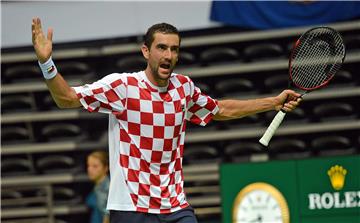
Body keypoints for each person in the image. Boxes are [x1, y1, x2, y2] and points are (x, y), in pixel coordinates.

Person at [31, 17, 301, 223]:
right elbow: (65, 98)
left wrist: (273, 102)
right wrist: (46, 63)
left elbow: (220, 109)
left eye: (174, 49)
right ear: (146, 51)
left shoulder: (183, 88)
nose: (168, 55)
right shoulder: (123, 87)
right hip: (131, 208)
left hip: (174, 206)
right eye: (161, 48)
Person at [86, 151, 110, 223]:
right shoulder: (97, 186)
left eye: (95, 166)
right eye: (88, 165)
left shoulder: (107, 188)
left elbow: (107, 215)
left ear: (105, 168)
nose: (90, 169)